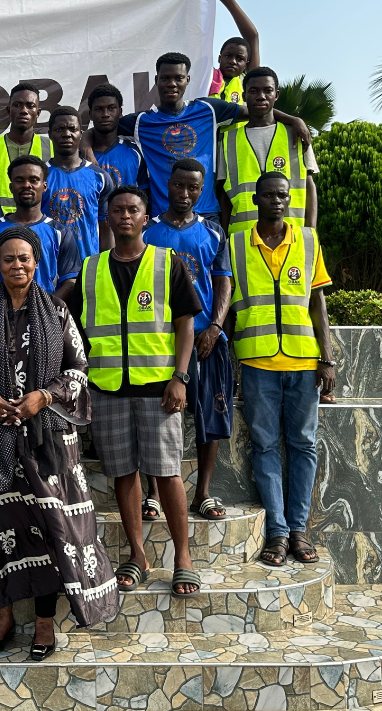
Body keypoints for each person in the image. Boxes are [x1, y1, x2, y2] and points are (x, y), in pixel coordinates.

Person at [0, 226, 119, 658]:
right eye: (8, 259)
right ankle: (3, 617)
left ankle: (44, 625)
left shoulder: (58, 312)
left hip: (49, 443)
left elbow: (79, 369)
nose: (17, 266)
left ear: (36, 262)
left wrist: (43, 397)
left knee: (50, 531)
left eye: (24, 258)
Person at [76, 186, 200, 598]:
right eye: (117, 210)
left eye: (133, 209)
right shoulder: (90, 269)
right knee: (122, 474)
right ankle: (138, 555)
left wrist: (180, 377)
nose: (125, 216)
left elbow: (185, 324)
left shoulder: (168, 263)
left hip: (158, 390)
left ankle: (183, 558)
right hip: (108, 388)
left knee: (167, 473)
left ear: (147, 217)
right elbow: (74, 327)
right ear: (107, 218)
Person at [231, 172, 335, 567]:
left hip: (304, 362)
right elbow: (229, 301)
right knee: (265, 446)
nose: (277, 200)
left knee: (303, 444)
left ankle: (299, 530)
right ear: (256, 199)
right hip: (257, 364)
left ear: (289, 199)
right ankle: (276, 532)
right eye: (269, 195)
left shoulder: (307, 241)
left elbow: (317, 303)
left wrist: (327, 358)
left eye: (283, 195)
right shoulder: (238, 243)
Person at [143, 158, 235, 523]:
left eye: (193, 187)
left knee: (209, 416)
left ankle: (204, 493)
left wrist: (215, 326)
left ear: (202, 190)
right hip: (160, 341)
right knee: (155, 417)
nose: (185, 193)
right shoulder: (148, 230)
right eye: (179, 185)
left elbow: (223, 280)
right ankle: (152, 493)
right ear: (169, 184)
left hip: (205, 340)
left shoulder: (213, 232)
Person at [120, 50, 268, 218]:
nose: (172, 84)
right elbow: (101, 129)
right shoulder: (141, 122)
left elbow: (257, 111)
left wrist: (293, 120)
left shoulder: (208, 110)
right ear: (156, 81)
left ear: (187, 80)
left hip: (206, 214)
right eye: (165, 78)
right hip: (162, 218)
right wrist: (87, 144)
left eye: (178, 78)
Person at [218, 65, 320, 231]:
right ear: (244, 96)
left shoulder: (297, 134)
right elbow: (224, 195)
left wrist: (311, 231)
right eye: (253, 91)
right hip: (243, 239)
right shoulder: (229, 140)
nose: (261, 96)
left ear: (276, 95)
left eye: (268, 90)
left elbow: (309, 185)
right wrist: (223, 238)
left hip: (293, 237)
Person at [0, 154, 77, 297]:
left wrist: (46, 307)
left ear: (44, 186)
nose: (26, 185)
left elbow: (70, 282)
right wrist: (2, 308)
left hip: (46, 316)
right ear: (11, 187)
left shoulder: (60, 232)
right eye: (19, 180)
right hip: (2, 316)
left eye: (34, 180)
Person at [44, 104, 110, 262]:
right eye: (60, 129)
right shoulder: (40, 176)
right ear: (50, 134)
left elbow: (106, 228)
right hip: (50, 265)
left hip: (88, 265)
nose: (67, 134)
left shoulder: (99, 177)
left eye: (72, 129)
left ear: (81, 134)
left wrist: (107, 266)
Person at [0, 84, 49, 204]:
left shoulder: (52, 148)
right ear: (8, 110)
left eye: (30, 106)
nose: (23, 111)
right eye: (17, 105)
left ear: (37, 113)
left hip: (39, 222)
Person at [84, 83, 145, 201]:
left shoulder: (135, 152)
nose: (105, 114)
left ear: (120, 112)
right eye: (99, 109)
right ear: (90, 114)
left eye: (111, 108)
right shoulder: (80, 155)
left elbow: (144, 197)